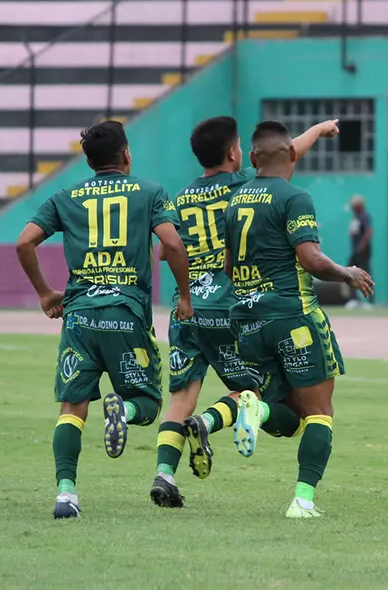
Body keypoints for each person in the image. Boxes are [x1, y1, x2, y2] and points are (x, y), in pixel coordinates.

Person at [150, 116, 341, 508]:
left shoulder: (181, 197)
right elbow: (282, 158)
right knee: (266, 398)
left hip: (187, 308)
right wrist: (317, 132)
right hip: (235, 305)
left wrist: (186, 291)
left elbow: (163, 249)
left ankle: (165, 474)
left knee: (181, 396)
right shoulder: (247, 187)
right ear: (238, 154)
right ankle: (220, 424)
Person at [15, 120, 194, 520]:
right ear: (126, 154)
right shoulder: (149, 192)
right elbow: (172, 243)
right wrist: (184, 295)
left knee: (72, 406)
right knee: (147, 404)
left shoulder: (66, 196)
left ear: (88, 160)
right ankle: (123, 413)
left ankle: (66, 494)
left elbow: (24, 241)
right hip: (126, 313)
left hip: (79, 316)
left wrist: (46, 293)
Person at [224, 120, 373, 518]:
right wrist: (347, 273)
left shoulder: (236, 200)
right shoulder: (295, 197)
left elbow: (228, 266)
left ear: (253, 158)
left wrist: (317, 128)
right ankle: (302, 501)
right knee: (320, 413)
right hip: (293, 315)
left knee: (289, 417)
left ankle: (256, 409)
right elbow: (310, 259)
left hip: (248, 322)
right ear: (292, 155)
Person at [345, 194, 374, 309]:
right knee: (348, 273)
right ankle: (354, 299)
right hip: (355, 251)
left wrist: (362, 246)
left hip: (362, 252)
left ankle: (370, 301)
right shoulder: (355, 217)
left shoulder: (364, 217)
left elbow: (369, 232)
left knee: (366, 274)